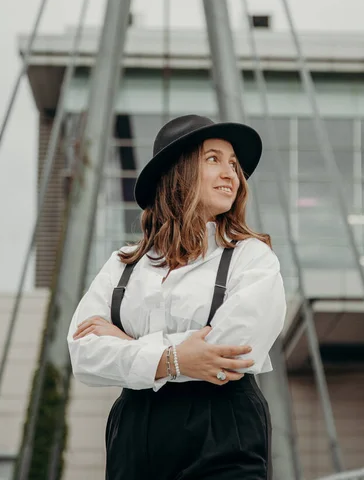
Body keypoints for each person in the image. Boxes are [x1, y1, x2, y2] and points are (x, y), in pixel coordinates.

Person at [67, 114, 286, 480]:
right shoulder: (123, 264)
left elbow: (233, 350)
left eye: (234, 164)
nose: (231, 173)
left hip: (223, 426)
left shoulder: (251, 256)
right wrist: (177, 357)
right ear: (176, 172)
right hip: (135, 432)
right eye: (213, 159)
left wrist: (134, 346)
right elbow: (84, 353)